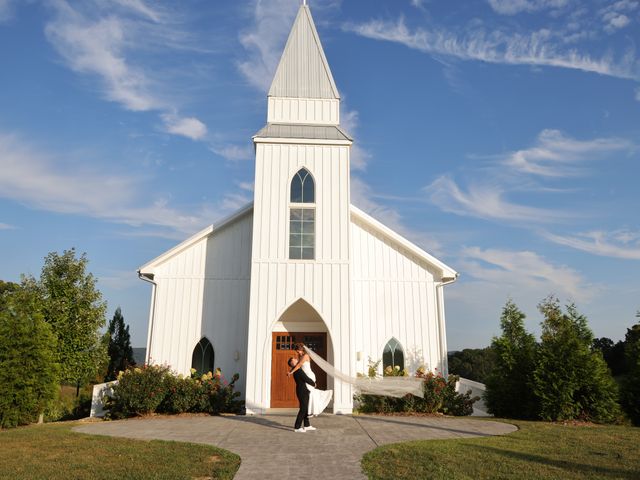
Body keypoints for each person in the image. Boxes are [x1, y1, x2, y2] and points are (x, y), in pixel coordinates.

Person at [288, 343, 333, 417]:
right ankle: (312, 410)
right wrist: (291, 370)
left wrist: (291, 372)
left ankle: (324, 397)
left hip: (309, 375)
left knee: (311, 393)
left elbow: (298, 365)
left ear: (301, 349)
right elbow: (297, 366)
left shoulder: (305, 356)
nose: (297, 352)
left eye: (297, 351)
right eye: (297, 351)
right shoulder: (300, 356)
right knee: (311, 393)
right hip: (306, 375)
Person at [288, 356, 316, 432]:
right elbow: (306, 378)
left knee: (305, 408)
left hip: (303, 391)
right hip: (302, 391)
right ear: (292, 363)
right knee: (303, 409)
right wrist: (313, 383)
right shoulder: (298, 371)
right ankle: (297, 427)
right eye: (294, 359)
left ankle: (307, 425)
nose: (296, 359)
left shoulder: (297, 369)